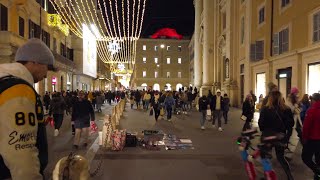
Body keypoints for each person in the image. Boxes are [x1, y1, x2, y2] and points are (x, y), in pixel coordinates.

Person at [0, 38, 57, 179]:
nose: (46, 75)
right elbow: (20, 149)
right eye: (46, 67)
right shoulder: (18, 89)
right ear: (35, 62)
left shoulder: (4, 82)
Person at [258, 91, 294, 180]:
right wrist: (286, 136)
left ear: (270, 98)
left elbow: (261, 124)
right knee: (281, 157)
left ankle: (268, 176)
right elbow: (291, 124)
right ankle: (289, 176)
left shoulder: (265, 109)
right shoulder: (286, 109)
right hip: (280, 136)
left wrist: (265, 130)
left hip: (267, 136)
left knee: (266, 156)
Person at [302, 93, 320, 180]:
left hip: (312, 139)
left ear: (314, 100)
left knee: (305, 157)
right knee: (319, 159)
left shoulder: (311, 110)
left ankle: (317, 171)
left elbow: (306, 127)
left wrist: (304, 138)